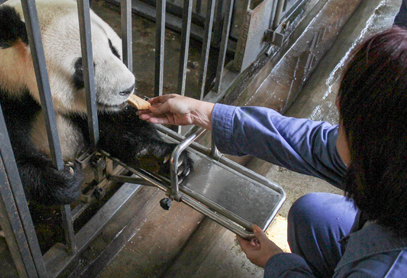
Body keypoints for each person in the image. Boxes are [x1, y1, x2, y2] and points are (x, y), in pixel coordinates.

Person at [137, 26, 407, 277]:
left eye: (345, 118)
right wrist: (204, 112)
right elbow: (309, 143)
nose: (337, 111)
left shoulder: (383, 270)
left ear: (374, 147)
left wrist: (278, 263)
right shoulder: (395, 162)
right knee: (313, 214)